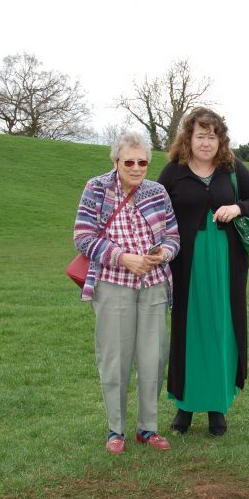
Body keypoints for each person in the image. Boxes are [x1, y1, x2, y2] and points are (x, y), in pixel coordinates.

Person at [157, 107, 249, 436]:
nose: (207, 142)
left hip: (226, 265)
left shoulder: (231, 168)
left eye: (213, 136)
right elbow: (153, 209)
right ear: (188, 138)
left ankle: (218, 407)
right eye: (200, 135)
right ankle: (185, 407)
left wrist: (238, 207)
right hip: (186, 266)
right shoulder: (173, 172)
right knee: (189, 331)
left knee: (222, 328)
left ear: (221, 140)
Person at [73, 131, 180, 454]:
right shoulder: (97, 188)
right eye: (129, 161)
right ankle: (115, 430)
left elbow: (174, 235)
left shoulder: (157, 192)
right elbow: (82, 237)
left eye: (142, 162)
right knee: (115, 358)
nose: (136, 168)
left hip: (153, 284)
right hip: (112, 283)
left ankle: (148, 428)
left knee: (153, 357)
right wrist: (123, 258)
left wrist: (163, 254)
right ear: (116, 161)